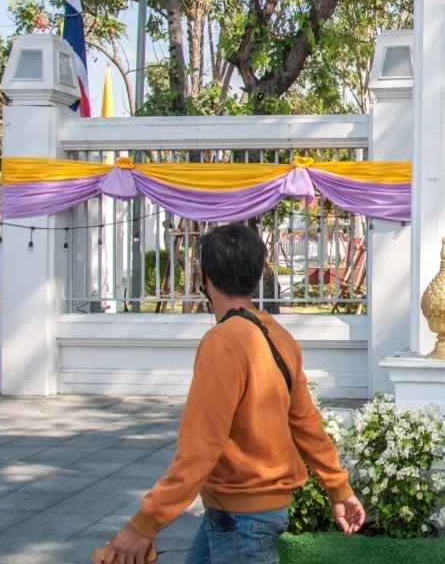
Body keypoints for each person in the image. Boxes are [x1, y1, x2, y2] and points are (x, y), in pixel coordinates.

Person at [100, 224, 364, 564]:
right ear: (258, 275)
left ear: (203, 277)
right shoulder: (278, 335)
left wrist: (142, 526)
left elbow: (199, 452)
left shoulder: (222, 344)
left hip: (241, 521)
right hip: (240, 513)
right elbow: (307, 424)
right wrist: (339, 489)